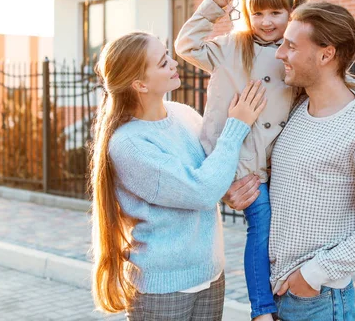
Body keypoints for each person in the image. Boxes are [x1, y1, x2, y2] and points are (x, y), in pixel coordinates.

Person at [174, 0, 355, 320]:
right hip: (241, 158)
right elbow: (187, 45)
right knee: (261, 225)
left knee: (275, 229)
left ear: (290, 13)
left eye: (276, 13)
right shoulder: (232, 46)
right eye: (257, 13)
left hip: (271, 161)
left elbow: (333, 74)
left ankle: (274, 298)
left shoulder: (291, 52)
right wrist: (213, 6)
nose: (266, 21)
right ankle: (261, 308)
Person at [89, 31, 266, 320]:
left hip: (210, 275)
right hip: (163, 289)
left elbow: (210, 172)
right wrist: (237, 126)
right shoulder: (129, 143)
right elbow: (199, 190)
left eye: (168, 55)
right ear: (139, 84)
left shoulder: (183, 114)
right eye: (162, 63)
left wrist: (227, 190)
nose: (174, 63)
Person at [267, 2, 355, 321]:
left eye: (291, 45)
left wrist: (312, 277)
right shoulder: (295, 110)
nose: (280, 54)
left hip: (317, 299)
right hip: (275, 293)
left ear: (326, 54)